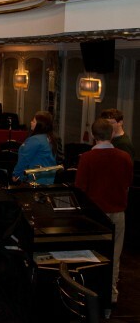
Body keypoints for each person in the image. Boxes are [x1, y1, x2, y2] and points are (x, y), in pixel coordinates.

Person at [75, 118, 133, 305]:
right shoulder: (124, 157)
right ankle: (111, 294)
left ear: (93, 136)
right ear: (111, 135)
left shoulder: (86, 158)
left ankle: (90, 292)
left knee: (91, 254)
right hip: (117, 212)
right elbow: (127, 184)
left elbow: (80, 189)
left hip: (94, 215)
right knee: (114, 256)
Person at [12, 111, 57, 185]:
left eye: (33, 121)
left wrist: (16, 174)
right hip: (49, 179)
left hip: (35, 180)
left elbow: (24, 159)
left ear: (40, 125)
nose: (31, 122)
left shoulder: (35, 140)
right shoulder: (50, 138)